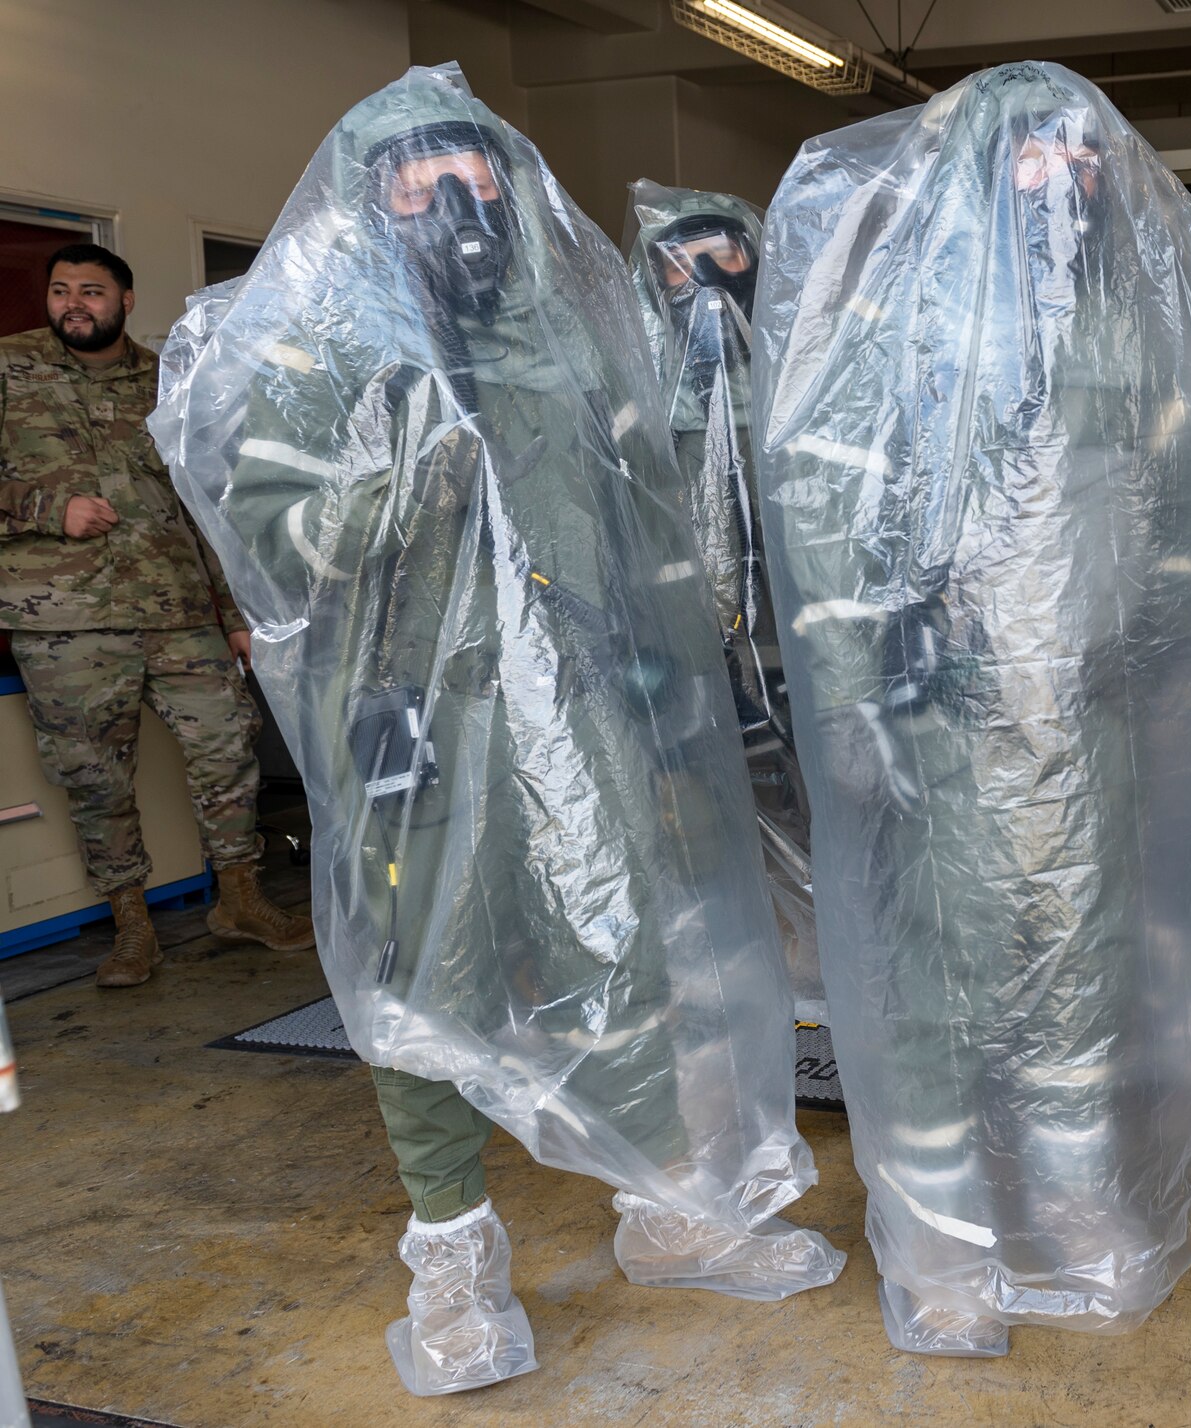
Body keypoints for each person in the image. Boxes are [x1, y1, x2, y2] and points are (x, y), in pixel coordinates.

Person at [149, 64, 841, 1398]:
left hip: (582, 713)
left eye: (476, 181)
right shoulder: (302, 347)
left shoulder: (563, 337)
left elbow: (639, 512)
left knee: (621, 952)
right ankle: (453, 1256)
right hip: (413, 719)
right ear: (371, 200)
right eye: (421, 183)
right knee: (431, 986)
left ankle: (663, 1205)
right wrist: (402, 473)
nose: (456, 206)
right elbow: (272, 542)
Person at [754, 61, 1191, 1356]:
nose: (1069, 178)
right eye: (1036, 157)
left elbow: (1159, 498)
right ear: (982, 166)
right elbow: (819, 505)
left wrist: (1152, 665)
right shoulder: (897, 310)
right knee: (933, 979)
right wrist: (859, 693)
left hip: (1079, 718)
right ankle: (936, 1243)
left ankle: (1070, 1191)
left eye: (1083, 158)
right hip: (940, 708)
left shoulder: (1113, 315)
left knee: (1077, 966)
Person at [0, 243, 314, 988]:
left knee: (228, 749)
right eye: (61, 291)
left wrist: (235, 612)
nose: (74, 303)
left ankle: (240, 900)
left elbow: (206, 506)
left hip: (177, 609)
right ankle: (132, 926)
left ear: (127, 300)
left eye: (92, 291)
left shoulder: (167, 382)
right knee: (94, 775)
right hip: (66, 618)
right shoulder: (9, 369)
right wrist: (50, 509)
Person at [624, 183, 819, 1018]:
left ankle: (817, 962)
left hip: (799, 642)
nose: (702, 277)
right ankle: (738, 974)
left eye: (724, 254)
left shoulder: (803, 372)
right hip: (688, 650)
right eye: (678, 262)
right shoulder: (633, 387)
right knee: (701, 821)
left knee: (817, 807)